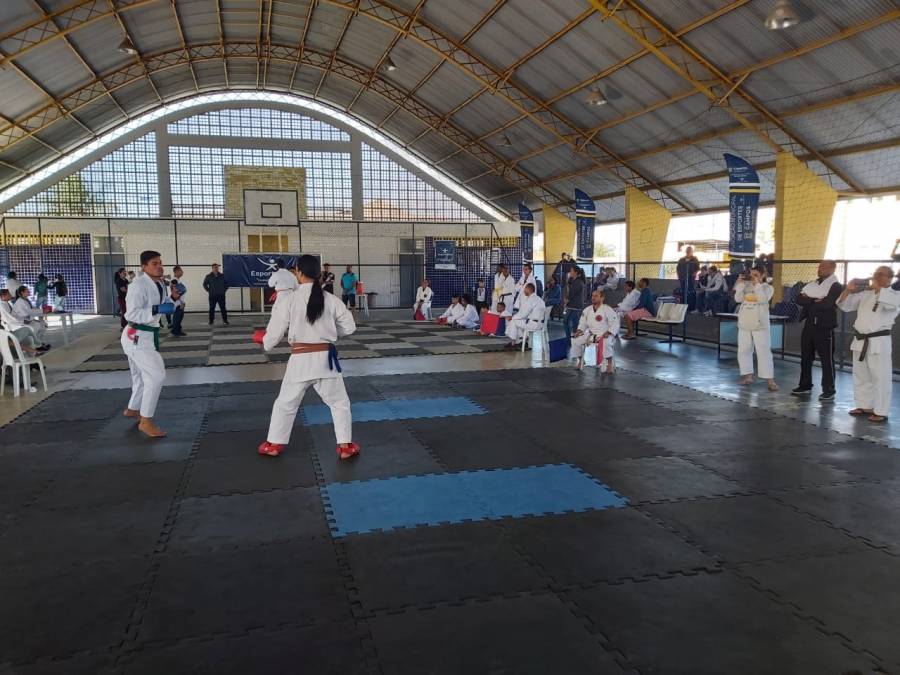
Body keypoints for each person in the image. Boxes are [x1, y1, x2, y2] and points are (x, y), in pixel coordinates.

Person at [257, 255, 359, 460]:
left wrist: (265, 341)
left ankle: (274, 444)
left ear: (298, 273)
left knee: (285, 403)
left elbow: (276, 331)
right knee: (339, 403)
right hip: (325, 359)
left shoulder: (290, 299)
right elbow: (350, 327)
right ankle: (345, 446)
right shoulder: (331, 299)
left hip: (300, 359)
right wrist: (329, 333)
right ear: (319, 273)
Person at [121, 250, 174, 438]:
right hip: (137, 335)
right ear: (144, 267)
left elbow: (164, 303)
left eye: (160, 262)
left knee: (140, 376)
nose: (159, 266)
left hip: (145, 336)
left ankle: (133, 409)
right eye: (154, 263)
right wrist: (156, 309)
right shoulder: (138, 285)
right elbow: (132, 314)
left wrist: (172, 300)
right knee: (157, 376)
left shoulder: (160, 284)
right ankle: (146, 421)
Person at [837, 266, 899, 423]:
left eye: (880, 275)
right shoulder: (866, 294)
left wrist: (880, 288)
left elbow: (889, 305)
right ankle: (864, 405)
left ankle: (881, 411)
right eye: (875, 275)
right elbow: (844, 305)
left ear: (889, 278)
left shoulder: (894, 295)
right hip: (860, 340)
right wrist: (848, 290)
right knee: (861, 375)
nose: (875, 278)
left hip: (879, 342)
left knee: (880, 377)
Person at [792, 260, 842, 400]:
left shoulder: (836, 286)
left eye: (823, 267)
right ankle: (805, 385)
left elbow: (827, 304)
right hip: (809, 325)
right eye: (819, 267)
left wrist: (810, 298)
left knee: (826, 359)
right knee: (806, 357)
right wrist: (815, 299)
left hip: (824, 327)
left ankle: (829, 389)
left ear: (832, 269)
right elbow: (799, 299)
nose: (819, 269)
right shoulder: (814, 284)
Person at [734, 265, 778, 391]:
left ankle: (770, 380)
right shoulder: (745, 286)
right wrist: (740, 284)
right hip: (745, 322)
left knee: (763, 351)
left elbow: (763, 299)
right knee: (744, 349)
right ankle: (747, 376)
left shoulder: (768, 288)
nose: (752, 277)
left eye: (756, 275)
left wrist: (757, 284)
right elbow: (737, 299)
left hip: (760, 324)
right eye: (751, 274)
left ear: (763, 276)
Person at [571, 289, 619, 373]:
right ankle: (581, 360)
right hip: (591, 334)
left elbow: (615, 322)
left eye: (596, 296)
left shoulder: (607, 309)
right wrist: (579, 331)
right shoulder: (587, 310)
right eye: (592, 296)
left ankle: (610, 364)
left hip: (605, 334)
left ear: (602, 298)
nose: (593, 298)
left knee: (606, 343)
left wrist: (609, 332)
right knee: (575, 340)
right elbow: (582, 323)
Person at [0, 289, 49, 356]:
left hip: (17, 323)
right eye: (9, 294)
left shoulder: (7, 303)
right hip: (11, 328)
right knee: (30, 329)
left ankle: (36, 348)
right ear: (3, 296)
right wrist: (23, 322)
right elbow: (9, 318)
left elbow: (28, 312)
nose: (10, 295)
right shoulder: (2, 305)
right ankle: (37, 346)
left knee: (33, 332)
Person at [505, 283, 544, 347]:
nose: (524, 291)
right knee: (518, 321)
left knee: (514, 321)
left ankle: (513, 342)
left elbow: (523, 314)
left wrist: (512, 317)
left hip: (533, 324)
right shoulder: (539, 299)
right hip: (540, 323)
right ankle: (522, 339)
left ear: (529, 289)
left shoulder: (531, 299)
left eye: (525, 289)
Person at [563, 265, 587, 339]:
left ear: (575, 272)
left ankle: (574, 338)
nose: (570, 272)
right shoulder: (576, 281)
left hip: (575, 306)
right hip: (573, 306)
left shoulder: (578, 282)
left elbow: (572, 294)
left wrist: (566, 300)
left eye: (571, 271)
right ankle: (571, 338)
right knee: (568, 322)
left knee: (574, 324)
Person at [676, 246, 700, 312]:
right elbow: (678, 269)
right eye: (687, 250)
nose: (688, 252)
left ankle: (690, 308)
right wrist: (679, 277)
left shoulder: (695, 259)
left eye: (690, 250)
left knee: (690, 293)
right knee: (683, 293)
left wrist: (693, 275)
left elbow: (697, 268)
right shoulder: (681, 259)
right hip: (683, 279)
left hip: (691, 280)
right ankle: (683, 308)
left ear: (692, 251)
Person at [168, 265, 188, 337]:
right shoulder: (174, 280)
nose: (182, 272)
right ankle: (175, 331)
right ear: (176, 272)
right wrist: (181, 303)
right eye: (180, 270)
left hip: (179, 302)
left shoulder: (177, 280)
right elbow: (176, 292)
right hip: (177, 303)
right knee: (177, 316)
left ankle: (178, 330)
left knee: (179, 316)